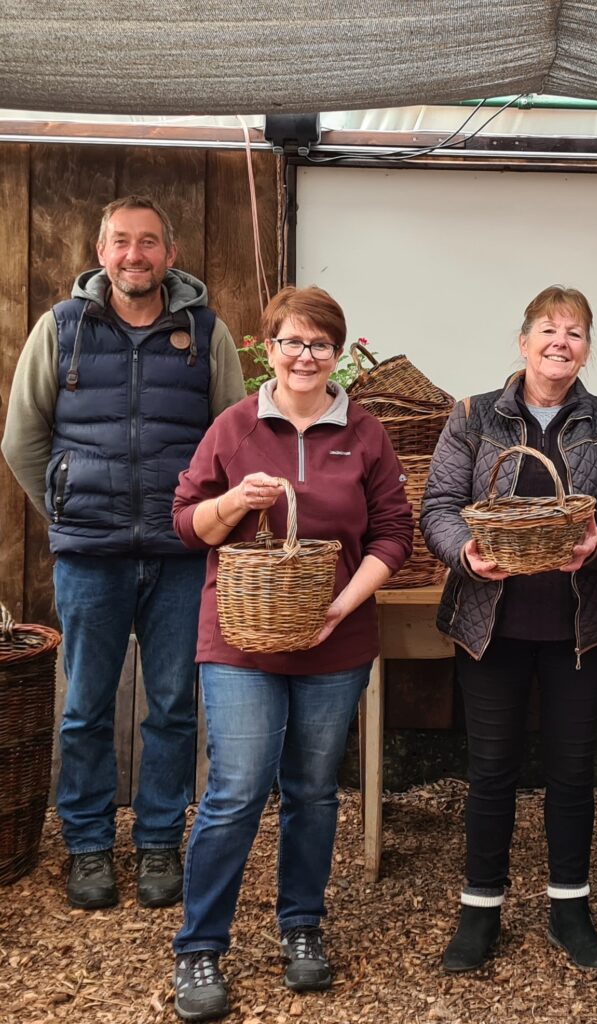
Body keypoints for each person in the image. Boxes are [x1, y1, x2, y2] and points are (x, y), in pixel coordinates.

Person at [169, 285, 412, 1022]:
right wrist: (235, 503)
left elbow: (393, 536)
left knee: (311, 789)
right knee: (237, 790)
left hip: (335, 642)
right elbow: (186, 526)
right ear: (265, 349)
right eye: (291, 342)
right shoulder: (233, 427)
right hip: (241, 637)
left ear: (339, 355)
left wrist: (339, 607)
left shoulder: (365, 433)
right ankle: (200, 943)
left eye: (319, 344)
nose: (305, 356)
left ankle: (301, 927)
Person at [1, 195, 244, 911]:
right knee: (85, 708)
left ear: (169, 254)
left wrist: (208, 521)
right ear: (100, 252)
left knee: (172, 704)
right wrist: (70, 507)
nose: (133, 255)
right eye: (119, 242)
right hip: (91, 556)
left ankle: (161, 843)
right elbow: (22, 440)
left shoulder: (205, 332)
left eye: (147, 243)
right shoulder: (62, 328)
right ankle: (87, 848)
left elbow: (232, 436)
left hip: (179, 553)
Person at [420, 285, 597, 973]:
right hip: (489, 624)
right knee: (491, 770)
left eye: (576, 332)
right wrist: (463, 552)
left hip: (579, 627)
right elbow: (438, 506)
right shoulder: (471, 416)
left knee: (572, 772)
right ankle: (479, 910)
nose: (562, 342)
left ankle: (570, 910)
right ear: (522, 342)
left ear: (587, 348)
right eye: (548, 329)